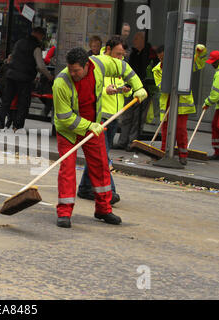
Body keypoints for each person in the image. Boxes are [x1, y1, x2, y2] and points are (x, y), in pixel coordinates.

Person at [53, 47, 146, 228]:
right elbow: (64, 118)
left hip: (93, 127)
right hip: (69, 130)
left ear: (87, 65)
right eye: (70, 69)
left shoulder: (101, 64)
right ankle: (64, 212)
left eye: (76, 70)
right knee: (68, 169)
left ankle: (103, 209)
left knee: (101, 166)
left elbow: (124, 68)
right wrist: (89, 125)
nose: (72, 73)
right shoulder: (61, 82)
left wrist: (138, 86)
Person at [77, 36, 131, 204]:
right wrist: (106, 89)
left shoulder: (121, 66)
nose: (120, 58)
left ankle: (85, 188)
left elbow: (127, 90)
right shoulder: (97, 64)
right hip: (99, 117)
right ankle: (110, 192)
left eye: (123, 55)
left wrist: (125, 90)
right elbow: (90, 86)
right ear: (108, 50)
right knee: (102, 157)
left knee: (101, 154)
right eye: (117, 54)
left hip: (114, 117)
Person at [153, 44, 207, 165]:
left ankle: (183, 154)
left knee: (180, 130)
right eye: (160, 59)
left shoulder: (183, 66)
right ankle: (164, 153)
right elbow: (161, 86)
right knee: (166, 129)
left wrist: (200, 52)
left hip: (182, 104)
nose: (162, 61)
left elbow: (199, 63)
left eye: (164, 58)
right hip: (167, 103)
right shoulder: (156, 70)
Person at [0, 27, 54, 131]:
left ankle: (0, 123)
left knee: (6, 101)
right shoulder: (36, 47)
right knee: (23, 103)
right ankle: (17, 126)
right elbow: (40, 66)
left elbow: (12, 57)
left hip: (11, 75)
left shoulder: (19, 42)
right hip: (25, 78)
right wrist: (49, 77)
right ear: (40, 35)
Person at [117, 31, 158, 150]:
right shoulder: (134, 53)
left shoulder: (150, 54)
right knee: (127, 116)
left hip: (143, 90)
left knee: (138, 118)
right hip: (130, 88)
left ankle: (132, 142)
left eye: (136, 39)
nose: (133, 41)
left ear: (142, 40)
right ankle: (123, 141)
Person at [202, 50, 219, 160]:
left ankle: (218, 152)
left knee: (217, 126)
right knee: (215, 126)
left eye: (214, 62)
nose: (212, 64)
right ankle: (218, 151)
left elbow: (216, 94)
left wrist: (207, 102)